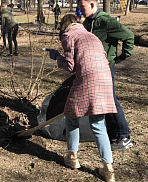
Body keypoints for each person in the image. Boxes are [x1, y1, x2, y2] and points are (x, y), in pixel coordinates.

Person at [48, 14, 116, 182]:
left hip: (88, 79)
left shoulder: (69, 36)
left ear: (64, 25)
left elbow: (70, 66)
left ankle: (72, 157)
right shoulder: (91, 35)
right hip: (105, 79)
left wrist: (57, 56)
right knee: (99, 125)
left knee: (72, 118)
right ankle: (108, 170)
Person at [78, 0, 134, 151]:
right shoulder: (88, 21)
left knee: (111, 100)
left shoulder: (105, 20)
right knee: (102, 101)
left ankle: (124, 136)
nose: (81, 10)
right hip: (94, 66)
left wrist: (122, 56)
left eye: (83, 7)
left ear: (92, 5)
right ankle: (113, 133)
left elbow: (129, 35)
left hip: (105, 66)